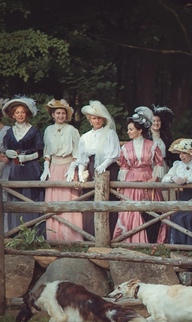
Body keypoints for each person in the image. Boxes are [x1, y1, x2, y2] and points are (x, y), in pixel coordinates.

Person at [113, 107, 167, 244]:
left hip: (148, 177)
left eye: (131, 129)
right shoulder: (125, 147)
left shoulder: (152, 145)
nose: (128, 132)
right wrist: (122, 185)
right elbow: (124, 167)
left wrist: (154, 178)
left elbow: (159, 163)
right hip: (131, 180)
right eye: (128, 129)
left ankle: (150, 240)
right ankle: (130, 239)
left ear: (140, 130)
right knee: (131, 210)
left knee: (150, 210)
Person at [77, 100, 121, 237]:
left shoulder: (110, 134)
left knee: (107, 199)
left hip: (107, 168)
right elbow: (82, 158)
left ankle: (108, 235)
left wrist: (103, 166)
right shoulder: (85, 137)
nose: (97, 121)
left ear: (104, 119)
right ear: (90, 120)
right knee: (90, 198)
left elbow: (113, 154)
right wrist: (80, 172)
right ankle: (90, 235)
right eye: (94, 118)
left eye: (99, 118)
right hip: (91, 168)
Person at [1, 96, 44, 234]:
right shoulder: (9, 133)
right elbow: (6, 150)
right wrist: (8, 153)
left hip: (31, 169)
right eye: (17, 112)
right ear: (13, 115)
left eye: (23, 112)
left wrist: (26, 157)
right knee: (16, 197)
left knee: (30, 198)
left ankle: (33, 233)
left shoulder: (34, 131)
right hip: (15, 170)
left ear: (27, 114)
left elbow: (39, 152)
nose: (20, 115)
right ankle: (17, 234)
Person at [42, 99, 82, 242]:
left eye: (63, 113)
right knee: (54, 200)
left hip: (67, 168)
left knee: (68, 200)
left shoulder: (72, 130)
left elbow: (78, 151)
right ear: (53, 115)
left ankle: (71, 237)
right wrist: (46, 166)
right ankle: (54, 237)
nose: (61, 116)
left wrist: (72, 167)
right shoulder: (48, 130)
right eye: (58, 113)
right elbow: (47, 151)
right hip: (53, 168)